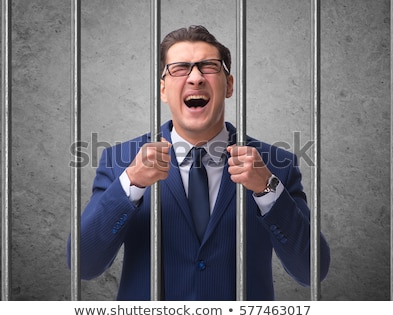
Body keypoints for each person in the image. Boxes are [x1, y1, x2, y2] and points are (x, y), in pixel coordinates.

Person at [67, 25, 330, 300]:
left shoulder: (277, 165)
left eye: (209, 66)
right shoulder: (119, 162)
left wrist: (268, 190)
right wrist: (130, 184)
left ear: (228, 86)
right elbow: (84, 266)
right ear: (163, 89)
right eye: (179, 68)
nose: (195, 78)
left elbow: (312, 272)